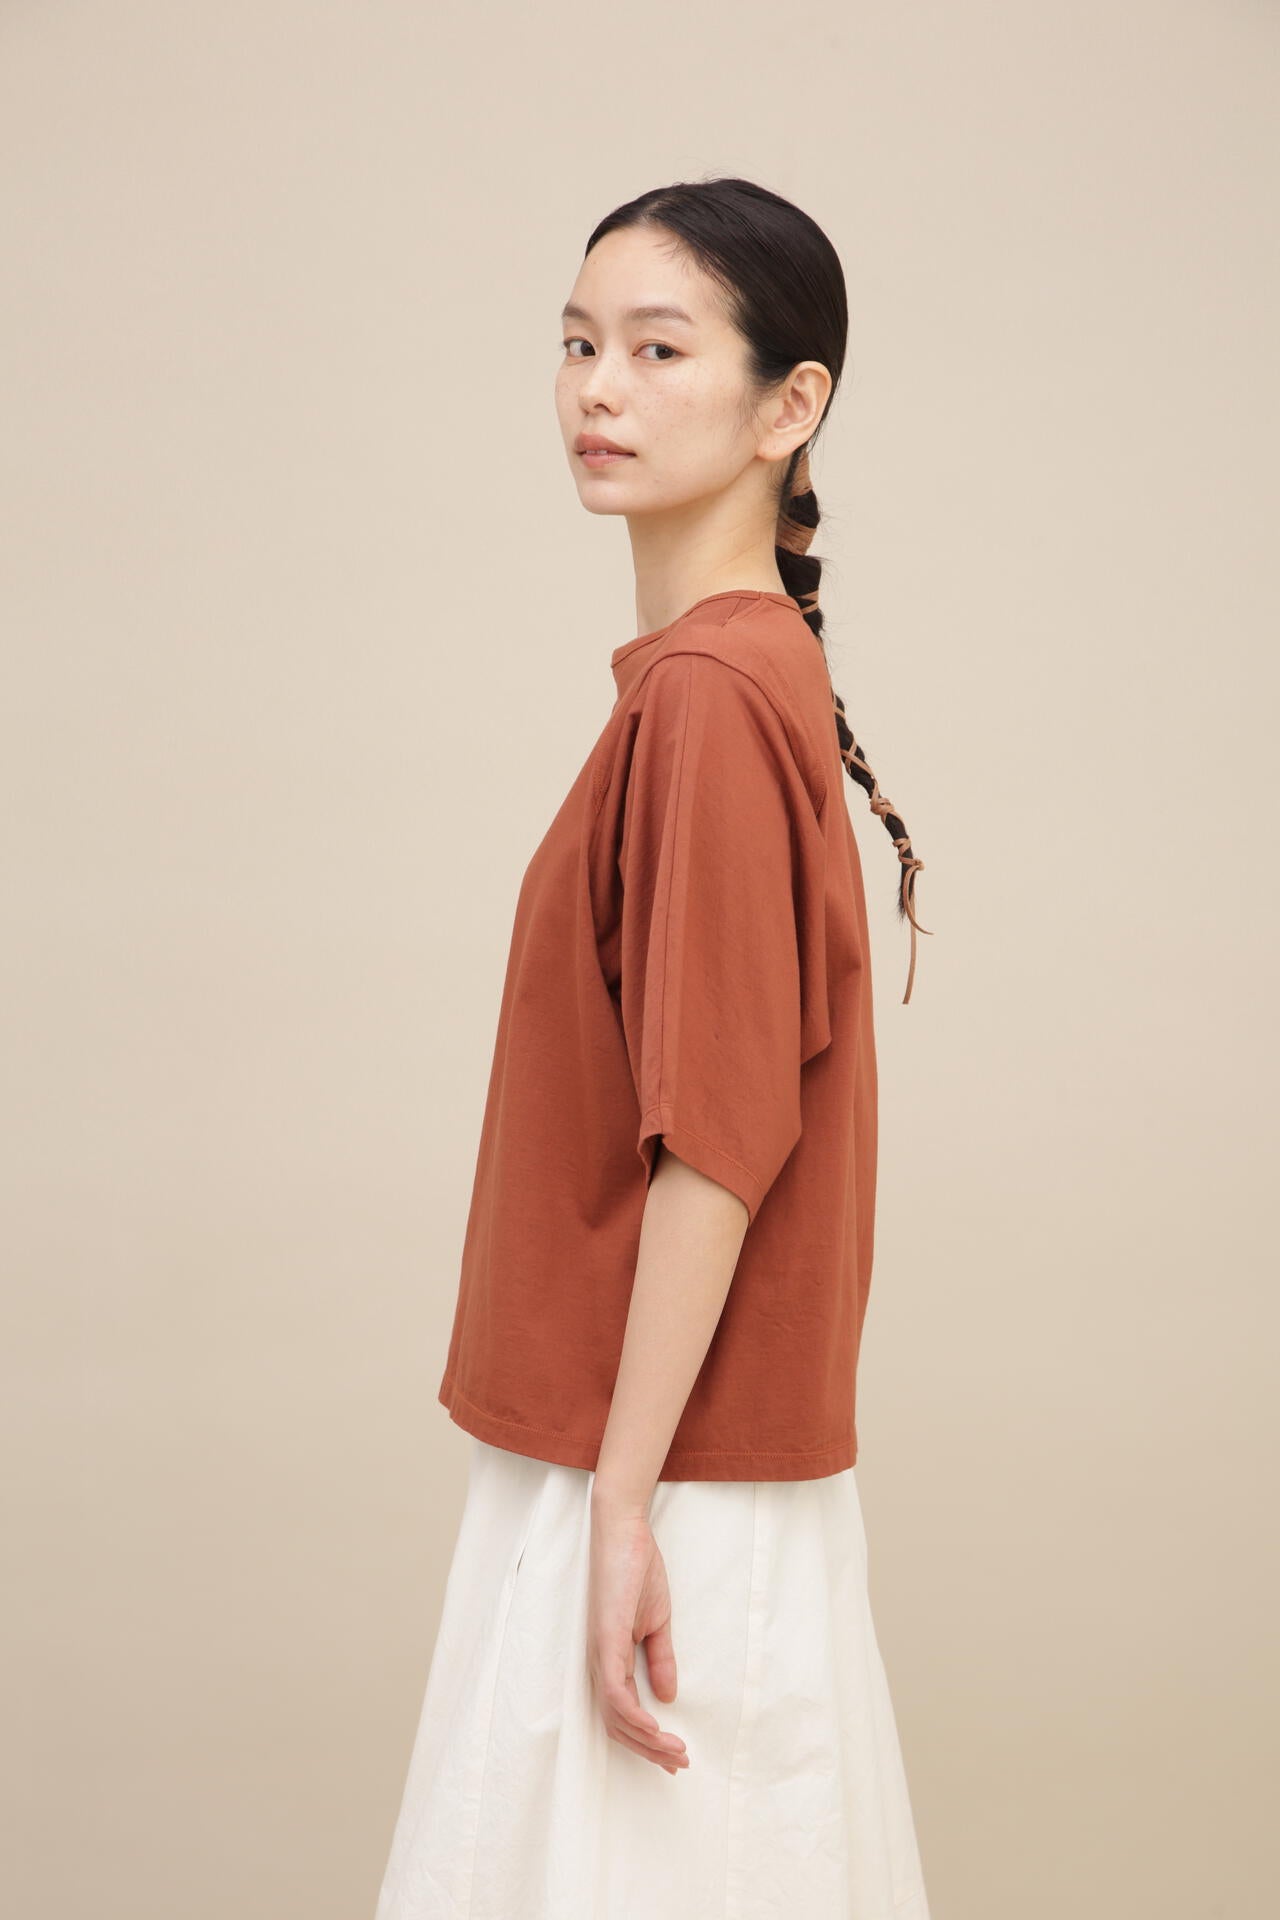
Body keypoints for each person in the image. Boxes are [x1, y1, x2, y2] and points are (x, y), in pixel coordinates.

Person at [374, 176, 933, 1920]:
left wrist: (621, 1514)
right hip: (673, 1455)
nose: (597, 387)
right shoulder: (735, 676)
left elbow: (718, 1135)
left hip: (663, 1472)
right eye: (577, 344)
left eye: (659, 349)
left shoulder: (706, 696)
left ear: (790, 406)